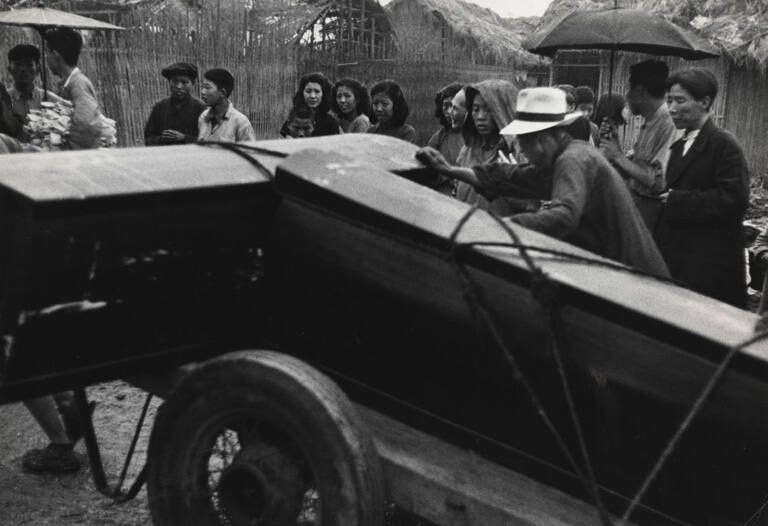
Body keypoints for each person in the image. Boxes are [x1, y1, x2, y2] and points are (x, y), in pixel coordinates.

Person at [418, 87, 669, 276]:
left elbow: (564, 215)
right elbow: (507, 177)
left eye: (523, 143)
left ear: (539, 139)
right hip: (618, 271)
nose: (522, 151)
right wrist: (449, 170)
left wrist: (497, 228)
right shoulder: (557, 160)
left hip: (637, 278)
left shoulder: (574, 159)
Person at [655, 68, 749, 307]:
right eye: (669, 100)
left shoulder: (724, 145)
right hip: (678, 261)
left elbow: (733, 199)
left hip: (709, 264)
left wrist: (678, 201)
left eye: (680, 101)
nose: (671, 108)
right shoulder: (680, 146)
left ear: (704, 102)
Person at [599, 60, 677, 231]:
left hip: (651, 213)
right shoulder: (650, 122)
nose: (627, 96)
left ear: (640, 91)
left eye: (629, 89)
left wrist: (618, 156)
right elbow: (634, 168)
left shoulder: (668, 124)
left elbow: (658, 183)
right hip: (636, 205)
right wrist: (614, 142)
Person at [453, 79, 519, 213]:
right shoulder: (467, 150)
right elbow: (456, 192)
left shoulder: (519, 153)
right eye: (475, 109)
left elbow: (533, 205)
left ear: (503, 111)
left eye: (489, 110)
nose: (480, 116)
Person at [44, 28, 103, 150]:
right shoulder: (68, 83)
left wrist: (66, 151)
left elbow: (86, 124)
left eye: (47, 53)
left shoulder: (79, 83)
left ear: (55, 55)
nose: (46, 58)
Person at [6, 44, 65, 134]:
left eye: (29, 64)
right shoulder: (3, 100)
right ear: (10, 69)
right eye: (17, 64)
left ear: (38, 69)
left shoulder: (50, 99)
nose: (23, 69)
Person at [144, 62, 206, 146]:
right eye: (175, 82)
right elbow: (148, 139)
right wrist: (162, 139)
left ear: (193, 83)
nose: (179, 86)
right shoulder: (159, 107)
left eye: (184, 82)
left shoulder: (201, 108)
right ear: (169, 82)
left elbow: (207, 142)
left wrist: (185, 138)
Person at [198, 68, 256, 143]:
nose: (202, 92)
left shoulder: (241, 122)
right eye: (203, 87)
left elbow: (250, 149)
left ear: (222, 93)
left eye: (207, 88)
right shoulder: (203, 117)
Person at [281, 72, 339, 137]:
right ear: (302, 93)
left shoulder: (331, 123)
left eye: (317, 91)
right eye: (308, 91)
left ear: (323, 94)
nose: (312, 96)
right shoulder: (295, 117)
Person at [427, 82, 464, 165]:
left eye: (454, 106)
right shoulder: (438, 139)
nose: (449, 111)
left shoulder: (477, 135)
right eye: (446, 106)